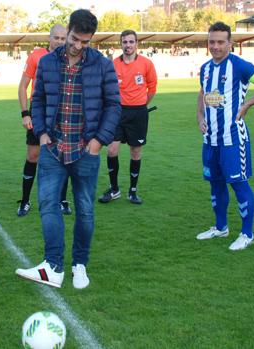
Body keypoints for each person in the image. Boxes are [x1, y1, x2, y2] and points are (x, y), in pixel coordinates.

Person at [16, 9, 121, 289]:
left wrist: (98, 141)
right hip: (53, 149)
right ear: (68, 32)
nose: (77, 46)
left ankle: (79, 265)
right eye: (74, 39)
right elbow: (37, 100)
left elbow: (113, 105)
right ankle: (53, 266)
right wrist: (41, 134)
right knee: (48, 205)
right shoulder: (48, 63)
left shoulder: (102, 64)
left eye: (84, 42)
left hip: (86, 150)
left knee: (85, 209)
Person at [195, 22, 254, 251]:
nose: (216, 46)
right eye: (212, 42)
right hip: (210, 139)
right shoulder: (205, 68)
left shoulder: (240, 66)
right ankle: (220, 227)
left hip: (233, 138)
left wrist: (248, 103)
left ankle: (247, 233)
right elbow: (202, 93)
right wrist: (199, 116)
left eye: (221, 42)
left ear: (230, 43)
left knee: (239, 183)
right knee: (215, 183)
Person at [17, 24, 71, 217]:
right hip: (39, 111)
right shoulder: (36, 56)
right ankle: (25, 200)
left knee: (64, 157)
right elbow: (23, 87)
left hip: (62, 113)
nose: (59, 42)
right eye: (56, 38)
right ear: (49, 38)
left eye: (63, 39)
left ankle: (62, 200)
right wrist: (25, 113)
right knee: (33, 156)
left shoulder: (70, 58)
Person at [99, 29, 157, 205]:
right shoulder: (113, 64)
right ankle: (114, 189)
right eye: (125, 42)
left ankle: (132, 191)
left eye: (131, 42)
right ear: (121, 44)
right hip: (117, 112)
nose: (128, 45)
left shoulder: (147, 64)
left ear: (136, 43)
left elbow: (152, 88)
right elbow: (106, 88)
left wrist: (140, 105)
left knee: (135, 151)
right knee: (111, 150)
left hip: (138, 112)